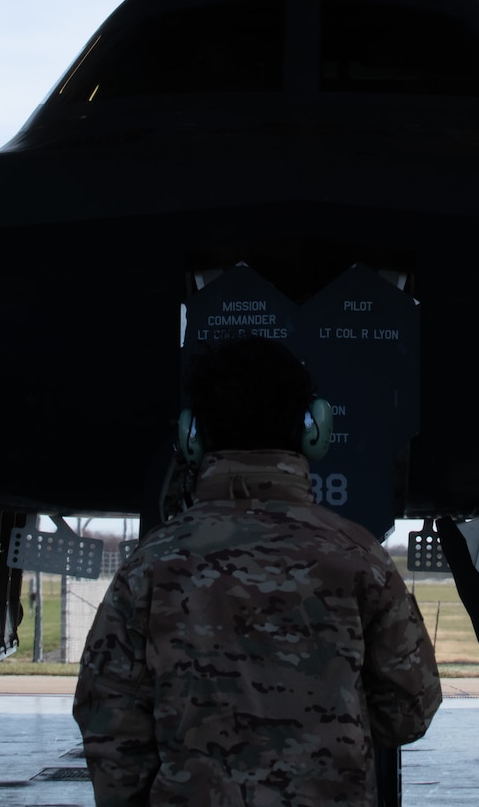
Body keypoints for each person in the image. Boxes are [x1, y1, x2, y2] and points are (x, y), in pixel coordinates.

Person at [73, 336, 441, 806]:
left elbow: (108, 719)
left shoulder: (149, 564)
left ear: (192, 436)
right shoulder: (358, 556)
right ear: (313, 431)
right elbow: (410, 710)